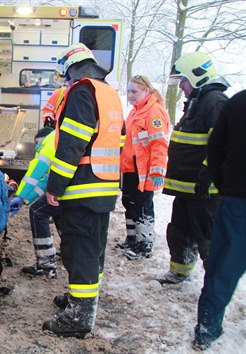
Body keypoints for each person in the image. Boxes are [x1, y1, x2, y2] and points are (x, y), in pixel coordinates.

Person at [41, 43, 125, 338]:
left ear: (72, 69)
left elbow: (72, 144)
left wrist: (55, 186)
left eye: (65, 75)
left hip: (83, 186)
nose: (65, 81)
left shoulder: (81, 92)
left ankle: (79, 318)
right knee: (93, 250)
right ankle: (80, 300)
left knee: (80, 251)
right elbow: (119, 141)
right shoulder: (108, 94)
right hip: (103, 185)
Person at [160, 52, 229, 284]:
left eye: (184, 80)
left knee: (208, 237)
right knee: (180, 230)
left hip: (203, 191)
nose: (181, 85)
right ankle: (180, 271)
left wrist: (206, 177)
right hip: (188, 188)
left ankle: (216, 283)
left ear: (198, 76)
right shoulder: (198, 102)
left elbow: (221, 146)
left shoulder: (215, 102)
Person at [193, 89, 246, 350]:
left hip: (238, 199)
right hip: (236, 196)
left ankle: (207, 326)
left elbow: (215, 149)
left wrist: (226, 185)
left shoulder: (239, 101)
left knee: (224, 265)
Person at [116, 75, 170, 260]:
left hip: (144, 170)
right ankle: (132, 238)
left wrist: (157, 170)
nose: (130, 95)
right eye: (129, 91)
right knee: (129, 204)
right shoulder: (136, 111)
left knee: (143, 207)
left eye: (134, 91)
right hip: (131, 168)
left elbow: (159, 145)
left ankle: (144, 244)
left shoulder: (153, 112)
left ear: (147, 91)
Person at [8, 127, 61, 278]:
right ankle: (69, 254)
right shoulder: (55, 139)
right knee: (59, 213)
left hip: (67, 187)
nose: (37, 148)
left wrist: (19, 195)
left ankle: (46, 265)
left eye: (38, 144)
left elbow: (36, 172)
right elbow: (44, 183)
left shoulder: (49, 142)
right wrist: (25, 200)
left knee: (38, 211)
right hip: (70, 187)